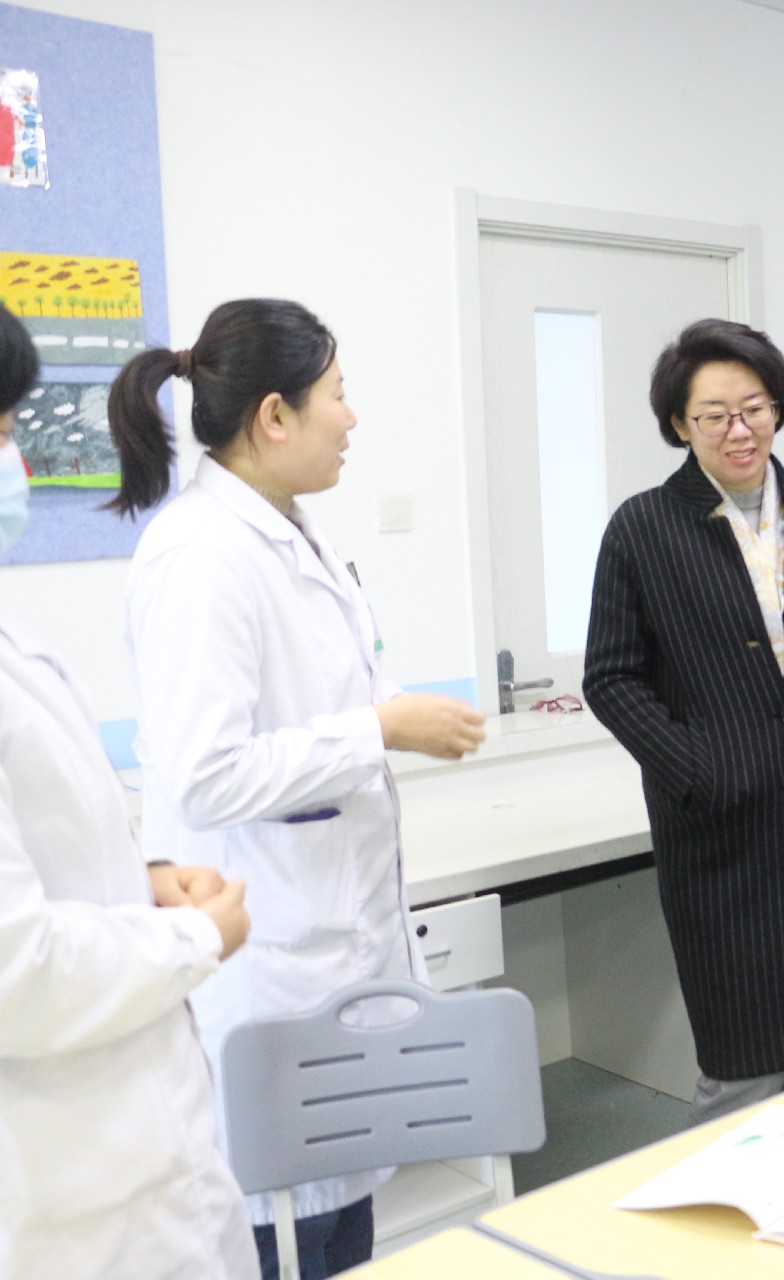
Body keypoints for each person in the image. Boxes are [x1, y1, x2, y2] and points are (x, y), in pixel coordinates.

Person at [113, 299, 487, 1278]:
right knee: (294, 1240)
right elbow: (207, 771)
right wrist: (379, 730)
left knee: (344, 1228)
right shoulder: (199, 556)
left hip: (335, 965)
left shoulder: (291, 533)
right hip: (272, 973)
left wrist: (391, 712)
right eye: (338, 395)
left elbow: (328, 691)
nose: (352, 418)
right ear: (274, 415)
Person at [0, 301, 258, 1278]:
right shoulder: (194, 550)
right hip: (66, 1197)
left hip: (134, 1164)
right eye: (3, 430)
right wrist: (195, 938)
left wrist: (134, 881)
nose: (16, 460)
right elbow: (14, 973)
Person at [584, 318, 784, 1120]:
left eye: (755, 409)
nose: (740, 431)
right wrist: (698, 770)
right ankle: (721, 1190)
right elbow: (610, 678)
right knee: (742, 1060)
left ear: (778, 409)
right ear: (680, 424)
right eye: (714, 415)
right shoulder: (643, 527)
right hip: (720, 833)